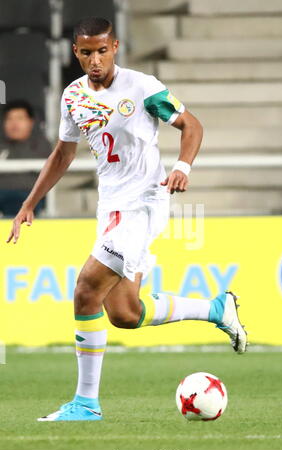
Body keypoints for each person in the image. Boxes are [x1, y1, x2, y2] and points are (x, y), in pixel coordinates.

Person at [7, 17, 247, 422]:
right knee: (124, 313)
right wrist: (30, 202)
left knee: (86, 289)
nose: (95, 60)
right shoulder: (73, 96)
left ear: (115, 46)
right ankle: (216, 309)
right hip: (111, 208)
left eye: (102, 50)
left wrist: (182, 167)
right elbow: (63, 154)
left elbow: (191, 125)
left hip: (145, 204)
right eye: (86, 52)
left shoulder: (143, 88)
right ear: (75, 52)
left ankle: (85, 404)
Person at [0, 100, 51, 216]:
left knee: (18, 202)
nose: (14, 124)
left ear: (31, 122)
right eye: (10, 119)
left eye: (20, 118)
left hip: (29, 197)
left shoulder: (42, 145)